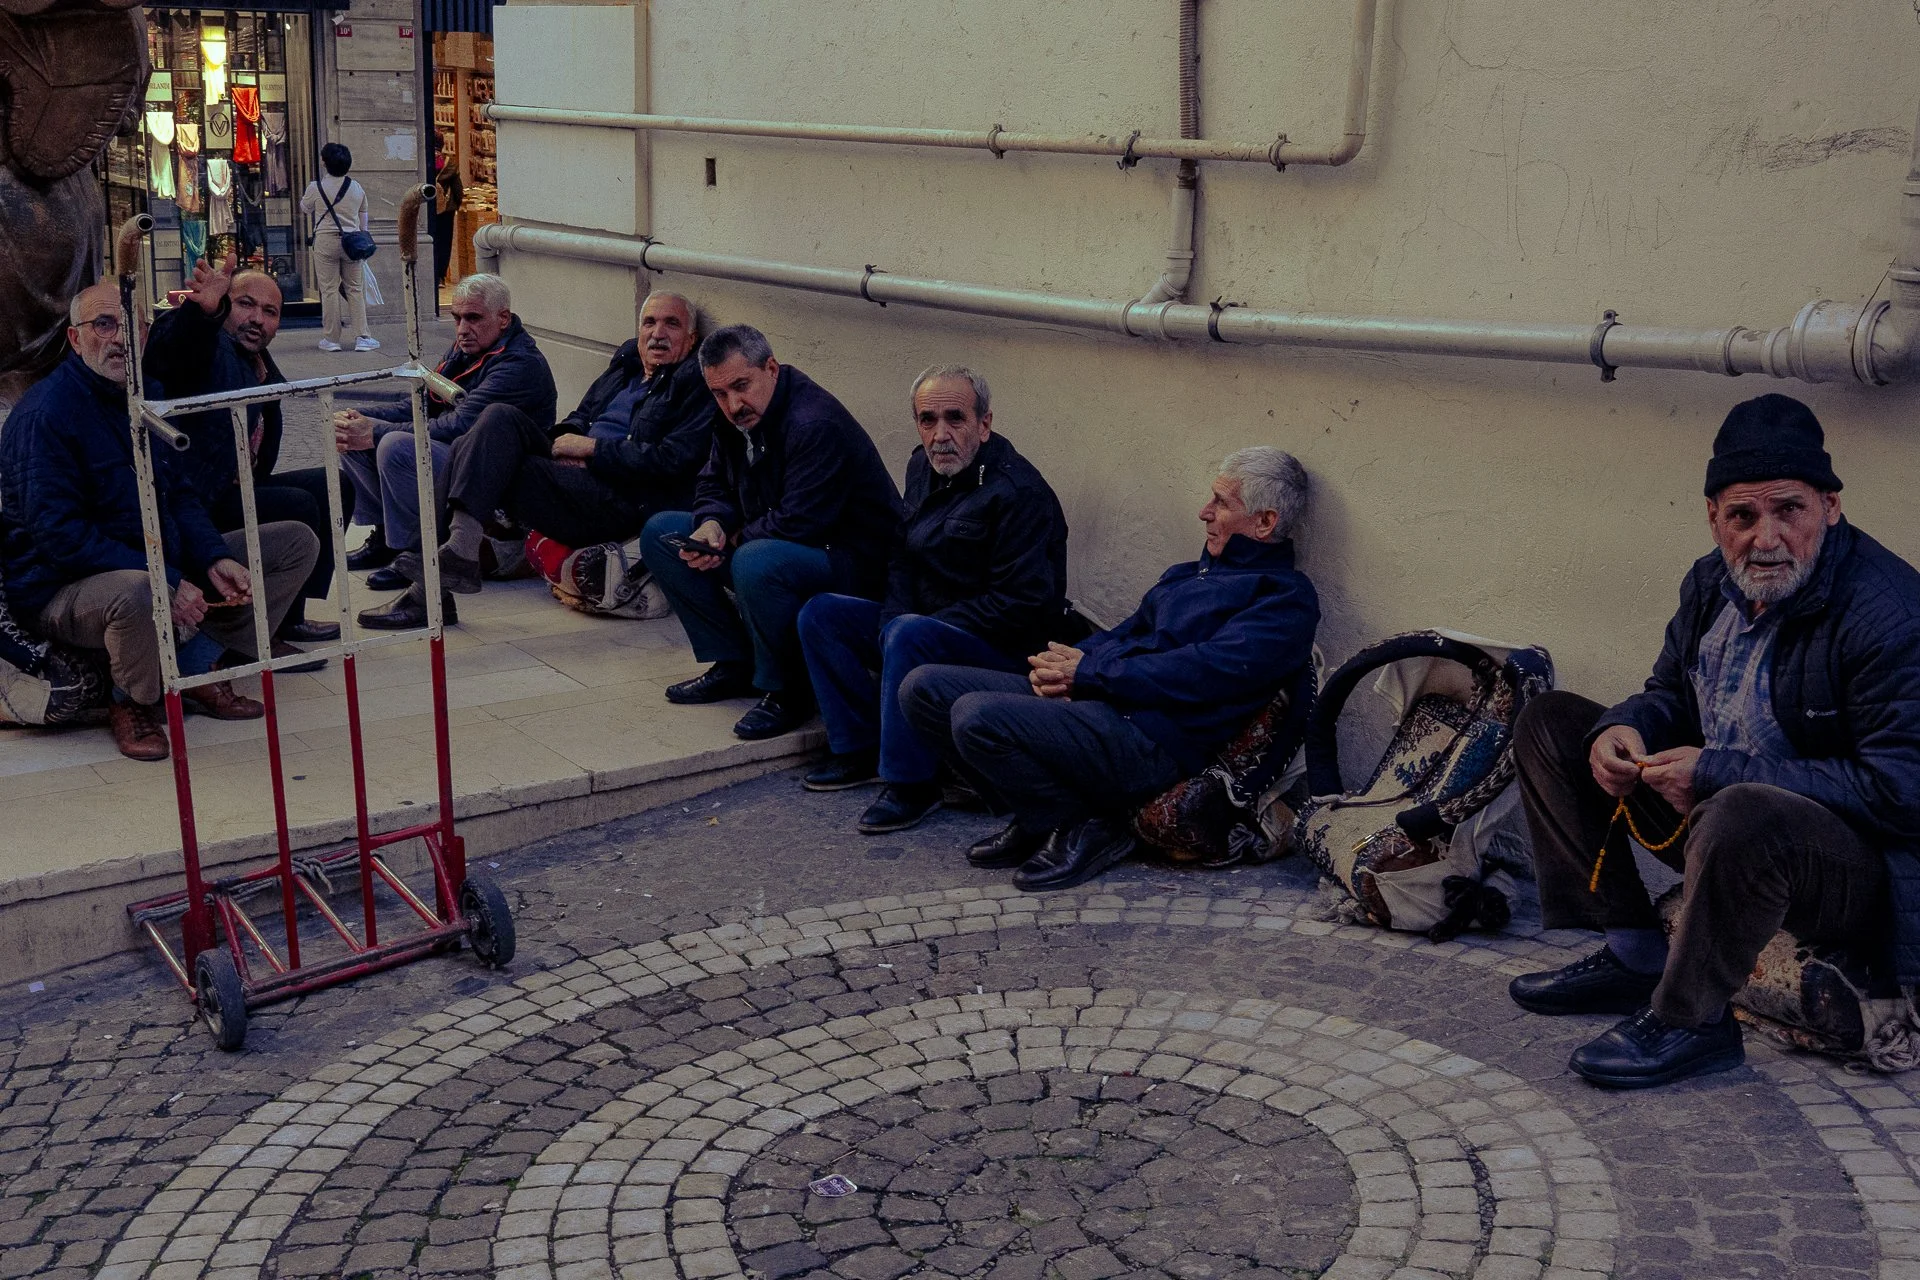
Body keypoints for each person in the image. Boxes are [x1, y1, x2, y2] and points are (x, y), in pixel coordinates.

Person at [1507, 395, 1920, 1090]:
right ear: (1713, 517)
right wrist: (1624, 729)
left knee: (1743, 808)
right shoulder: (1710, 581)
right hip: (1716, 822)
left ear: (1830, 506)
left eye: (1788, 510)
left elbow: (1903, 793)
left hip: (1857, 868)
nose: (1766, 539)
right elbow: (1671, 691)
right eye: (1743, 517)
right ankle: (1635, 954)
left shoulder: (1890, 614)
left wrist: (1718, 772)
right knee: (1551, 724)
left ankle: (1692, 1021)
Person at [901, 447, 1317, 891]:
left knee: (977, 717)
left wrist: (1090, 674)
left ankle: (1082, 824)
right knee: (923, 688)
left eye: (1221, 502)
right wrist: (1060, 667)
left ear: (1264, 522)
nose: (1205, 512)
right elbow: (1122, 634)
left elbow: (1201, 672)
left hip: (1153, 740)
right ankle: (1038, 814)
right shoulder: (1188, 574)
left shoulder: (1283, 599)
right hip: (1107, 704)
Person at [0, 283, 319, 761]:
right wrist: (168, 579)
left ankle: (195, 666)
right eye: (103, 325)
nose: (119, 338)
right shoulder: (45, 414)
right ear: (75, 338)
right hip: (61, 584)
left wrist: (212, 558)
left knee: (294, 543)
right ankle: (133, 700)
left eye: (131, 327)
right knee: (140, 591)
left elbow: (179, 494)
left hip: (149, 559)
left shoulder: (146, 395)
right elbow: (60, 537)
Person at [796, 364, 1067, 834]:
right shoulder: (922, 467)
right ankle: (858, 748)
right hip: (926, 624)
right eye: (928, 420)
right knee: (822, 615)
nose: (940, 435)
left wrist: (925, 625)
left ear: (984, 424)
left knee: (908, 634)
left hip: (1001, 648)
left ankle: (912, 784)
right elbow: (902, 555)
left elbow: (1023, 604)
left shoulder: (1019, 493)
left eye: (955, 418)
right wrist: (894, 618)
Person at [638, 324, 903, 741]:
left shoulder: (814, 422)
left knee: (756, 560)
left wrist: (728, 542)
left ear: (772, 369)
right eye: (719, 393)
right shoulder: (734, 415)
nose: (733, 404)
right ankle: (734, 663)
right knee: (661, 532)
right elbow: (712, 481)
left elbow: (801, 521)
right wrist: (711, 524)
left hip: (855, 561)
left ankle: (787, 690)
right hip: (780, 541)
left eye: (741, 386)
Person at [433, 290, 712, 596]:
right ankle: (450, 554)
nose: (658, 333)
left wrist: (593, 450)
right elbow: (581, 415)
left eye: (671, 324)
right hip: (575, 473)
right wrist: (562, 445)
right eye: (649, 323)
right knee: (492, 423)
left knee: (485, 453)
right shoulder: (626, 366)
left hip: (618, 496)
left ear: (691, 338)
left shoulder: (695, 383)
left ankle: (436, 564)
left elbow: (674, 459)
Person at [142, 251, 346, 657]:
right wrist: (202, 313)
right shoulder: (212, 346)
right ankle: (255, 637)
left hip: (233, 487)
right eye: (245, 304)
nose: (257, 319)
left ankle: (289, 614)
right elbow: (172, 352)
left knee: (335, 484)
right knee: (300, 504)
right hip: (197, 499)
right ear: (224, 305)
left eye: (270, 312)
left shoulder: (258, 360)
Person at [334, 272, 555, 629]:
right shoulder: (467, 348)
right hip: (460, 457)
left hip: (494, 482)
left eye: (473, 318)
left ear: (503, 318)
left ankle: (415, 549)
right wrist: (364, 418)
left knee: (394, 446)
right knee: (352, 431)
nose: (463, 329)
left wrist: (375, 431)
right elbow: (422, 404)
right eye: (457, 318)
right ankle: (387, 538)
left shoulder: (519, 364)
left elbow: (457, 425)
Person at [299, 142, 379, 354]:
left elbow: (304, 208)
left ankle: (331, 339)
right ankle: (362, 337)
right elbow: (363, 219)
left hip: (325, 241)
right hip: (351, 242)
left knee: (329, 290)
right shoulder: (356, 187)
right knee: (355, 289)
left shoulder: (316, 187)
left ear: (324, 163)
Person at [428, 134, 463, 308]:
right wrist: (456, 205)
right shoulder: (449, 163)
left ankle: (429, 273)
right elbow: (458, 189)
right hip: (446, 209)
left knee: (430, 239)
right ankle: (441, 276)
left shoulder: (424, 160)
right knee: (444, 241)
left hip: (427, 207)